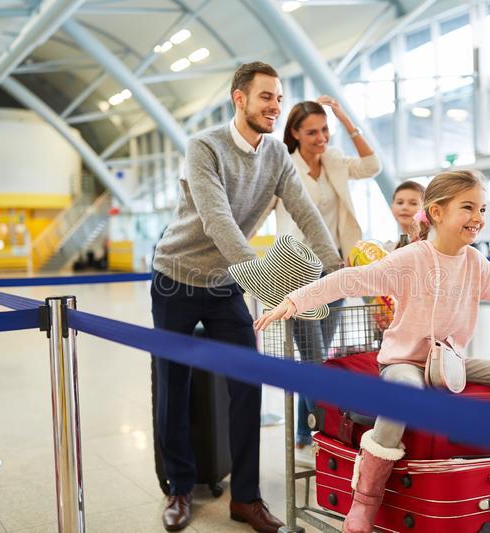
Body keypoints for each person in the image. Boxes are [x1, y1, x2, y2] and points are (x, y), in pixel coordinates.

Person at [254, 170, 490, 533]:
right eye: (468, 207)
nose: (479, 217)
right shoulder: (412, 259)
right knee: (405, 397)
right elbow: (350, 280)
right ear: (438, 213)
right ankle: (364, 503)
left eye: (483, 209)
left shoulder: (475, 262)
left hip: (450, 363)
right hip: (404, 363)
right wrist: (294, 300)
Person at [151, 61, 342, 533]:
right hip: (176, 277)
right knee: (172, 384)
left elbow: (307, 211)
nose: (274, 105)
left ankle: (247, 498)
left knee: (247, 384)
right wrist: (271, 287)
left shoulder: (276, 155)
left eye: (278, 97)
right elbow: (220, 224)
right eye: (265, 97)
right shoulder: (205, 148)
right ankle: (179, 486)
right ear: (240, 99)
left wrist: (335, 269)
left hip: (224, 287)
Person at [275, 97, 381, 464]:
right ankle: (319, 432)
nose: (321, 137)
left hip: (334, 270)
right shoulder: (282, 166)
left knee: (318, 357)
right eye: (312, 132)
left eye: (324, 130)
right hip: (297, 274)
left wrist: (345, 119)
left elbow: (372, 165)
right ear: (294, 134)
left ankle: (306, 435)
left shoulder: (334, 160)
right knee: (314, 358)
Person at [386, 180, 425, 251]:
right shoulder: (388, 249)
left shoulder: (429, 244)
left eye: (413, 203)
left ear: (425, 208)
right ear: (392, 207)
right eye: (400, 203)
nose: (404, 207)